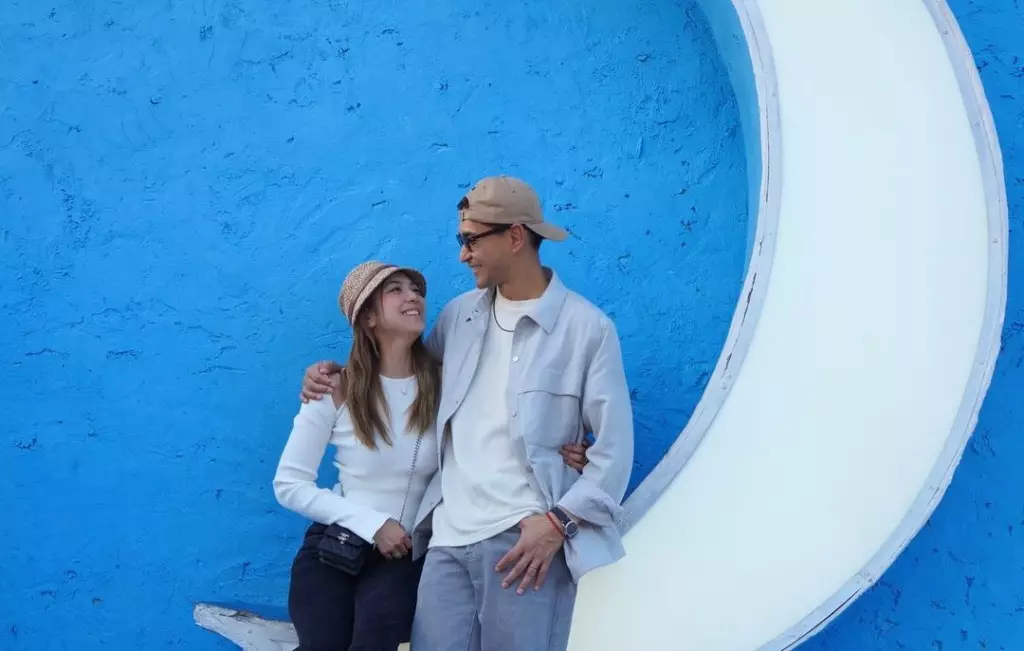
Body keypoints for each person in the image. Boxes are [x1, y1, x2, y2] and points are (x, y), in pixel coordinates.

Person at [300, 175, 634, 651]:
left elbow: (615, 451)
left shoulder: (587, 330)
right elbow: (401, 377)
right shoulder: (459, 317)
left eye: (471, 240)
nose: (463, 255)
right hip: (445, 542)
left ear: (515, 236)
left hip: (525, 541)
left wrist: (560, 522)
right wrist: (332, 376)